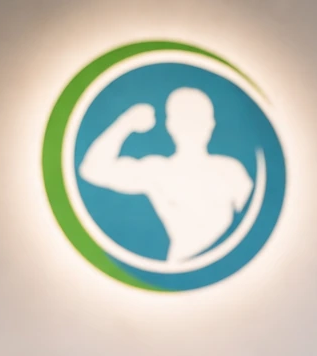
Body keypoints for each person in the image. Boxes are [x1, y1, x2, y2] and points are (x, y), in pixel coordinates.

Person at [80, 87, 253, 263]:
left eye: (199, 118)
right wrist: (125, 123)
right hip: (184, 268)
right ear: (171, 125)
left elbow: (251, 225)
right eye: (185, 119)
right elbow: (92, 169)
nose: (193, 126)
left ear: (211, 124)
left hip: (232, 268)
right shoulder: (158, 171)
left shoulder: (231, 170)